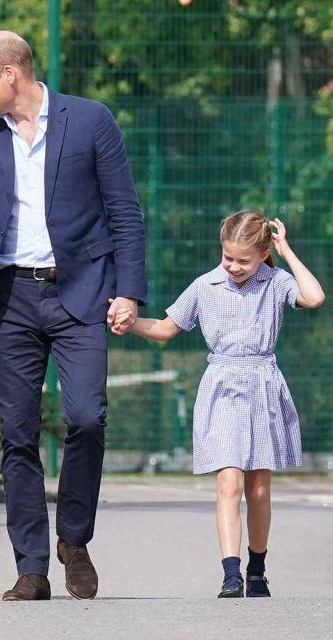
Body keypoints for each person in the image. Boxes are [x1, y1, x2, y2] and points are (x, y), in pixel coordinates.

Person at [0, 31, 147, 601]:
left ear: (11, 75)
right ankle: (31, 566)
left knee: (87, 417)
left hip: (81, 293)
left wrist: (129, 292)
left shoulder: (91, 120)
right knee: (17, 435)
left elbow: (125, 211)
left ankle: (73, 537)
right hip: (12, 301)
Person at [121, 211, 324, 598]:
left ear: (264, 253)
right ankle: (231, 574)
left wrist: (286, 251)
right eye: (228, 257)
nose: (233, 266)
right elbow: (166, 328)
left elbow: (313, 296)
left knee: (259, 489)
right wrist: (130, 322)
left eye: (243, 260)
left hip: (263, 384)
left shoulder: (277, 281)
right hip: (222, 387)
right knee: (228, 482)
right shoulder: (205, 285)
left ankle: (257, 570)